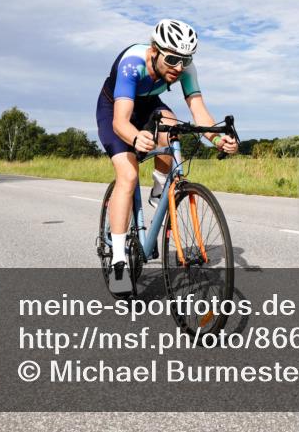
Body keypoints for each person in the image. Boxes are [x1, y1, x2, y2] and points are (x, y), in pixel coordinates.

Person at [96, 19, 237, 293]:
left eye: (185, 60)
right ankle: (118, 262)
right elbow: (120, 123)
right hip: (117, 107)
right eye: (172, 59)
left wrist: (218, 139)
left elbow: (199, 113)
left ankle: (161, 187)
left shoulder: (184, 69)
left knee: (173, 128)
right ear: (154, 50)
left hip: (149, 105)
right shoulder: (132, 64)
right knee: (128, 174)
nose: (178, 68)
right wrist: (136, 137)